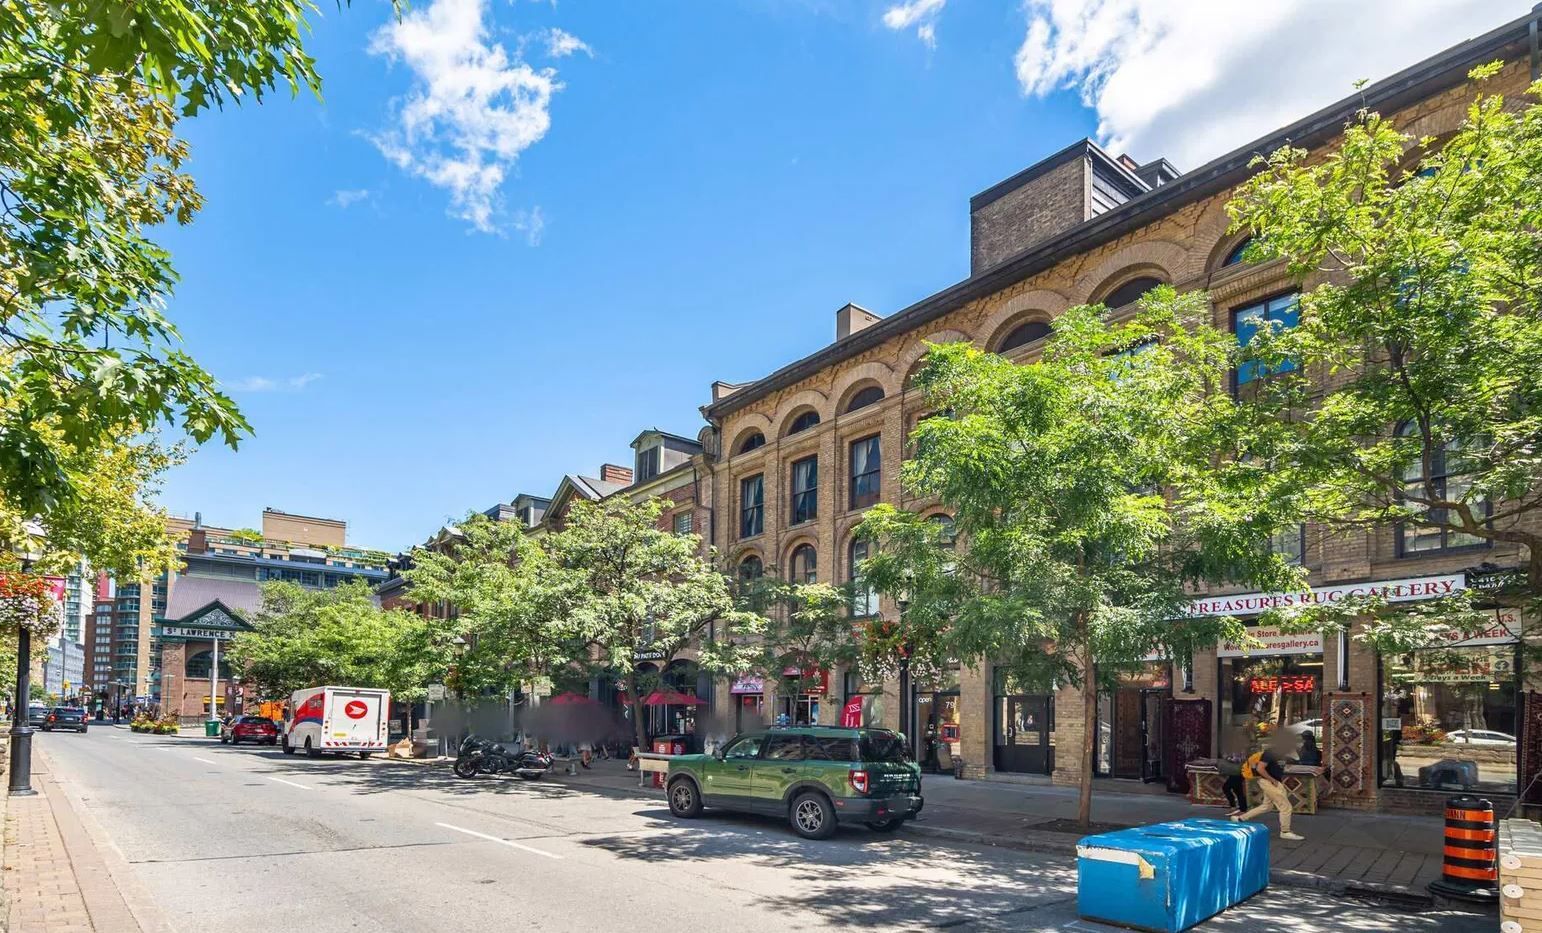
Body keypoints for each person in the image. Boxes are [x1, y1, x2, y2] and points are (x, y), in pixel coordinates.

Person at [1233, 736, 1304, 841]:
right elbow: (1260, 768)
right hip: (1268, 782)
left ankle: (1240, 819)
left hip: (1273, 782)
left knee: (1267, 806)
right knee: (1286, 807)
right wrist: (1272, 780)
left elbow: (1293, 760)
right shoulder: (1270, 753)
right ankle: (1285, 831)